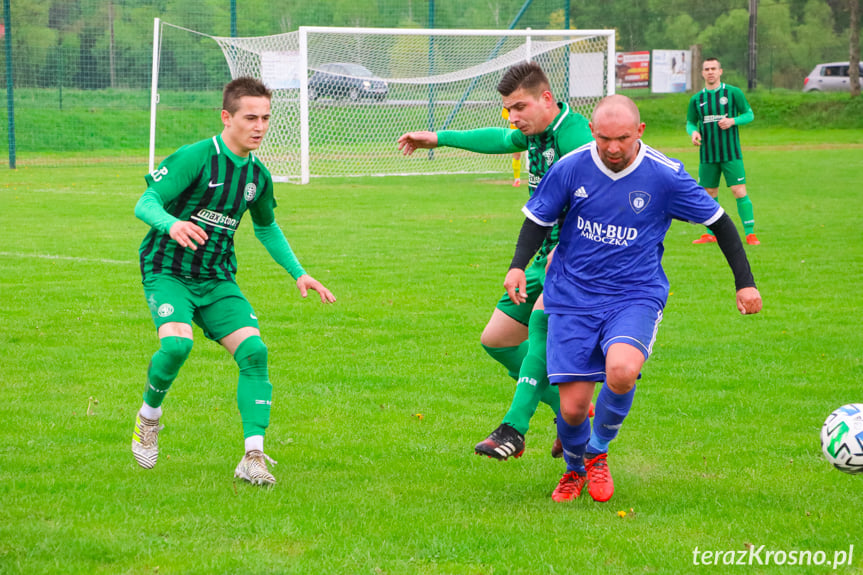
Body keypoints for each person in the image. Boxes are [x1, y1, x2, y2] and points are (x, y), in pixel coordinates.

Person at [504, 94, 762, 503]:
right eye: (605, 138)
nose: (613, 148)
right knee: (571, 410)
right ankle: (574, 469)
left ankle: (598, 452)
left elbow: (720, 222)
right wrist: (518, 266)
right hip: (572, 296)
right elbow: (538, 219)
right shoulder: (570, 168)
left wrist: (744, 282)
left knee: (621, 371)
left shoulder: (665, 175)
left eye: (622, 138)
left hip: (634, 295)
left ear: (639, 132)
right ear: (592, 132)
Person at [131, 77, 336, 486]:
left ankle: (253, 456)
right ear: (227, 117)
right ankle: (148, 418)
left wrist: (300, 273)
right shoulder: (198, 157)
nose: (258, 126)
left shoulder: (257, 176)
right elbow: (145, 202)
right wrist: (171, 225)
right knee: (176, 345)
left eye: (265, 118)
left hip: (217, 277)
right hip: (168, 270)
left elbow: (267, 229)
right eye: (249, 118)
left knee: (255, 352)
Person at [397, 62, 594, 460]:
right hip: (542, 255)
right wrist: (438, 138)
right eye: (509, 109)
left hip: (576, 259)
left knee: (538, 326)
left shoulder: (576, 137)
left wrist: (570, 246)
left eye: (519, 107)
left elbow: (599, 200)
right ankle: (568, 411)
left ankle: (514, 429)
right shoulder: (537, 134)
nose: (513, 117)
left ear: (546, 98)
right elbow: (498, 140)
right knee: (498, 340)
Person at [687, 57, 760, 245]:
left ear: (720, 71)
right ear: (702, 73)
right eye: (706, 69)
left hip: (731, 153)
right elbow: (690, 123)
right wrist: (694, 132)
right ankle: (710, 233)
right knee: (709, 193)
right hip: (707, 154)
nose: (710, 71)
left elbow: (749, 115)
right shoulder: (697, 99)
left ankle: (750, 234)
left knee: (738, 190)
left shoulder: (733, 92)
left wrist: (732, 121)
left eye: (713, 68)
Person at [502, 108, 523, 187]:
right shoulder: (510, 101)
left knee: (534, 152)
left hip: (529, 129)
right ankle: (517, 179)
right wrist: (511, 118)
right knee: (516, 155)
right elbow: (504, 113)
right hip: (515, 132)